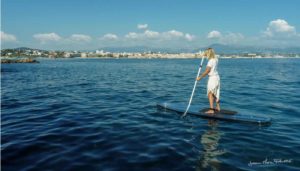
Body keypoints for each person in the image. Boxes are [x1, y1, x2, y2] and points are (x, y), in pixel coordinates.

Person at [197, 48, 220, 114]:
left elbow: (207, 71)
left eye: (206, 53)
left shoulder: (210, 61)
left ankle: (211, 109)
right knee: (215, 92)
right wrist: (204, 55)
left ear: (208, 53)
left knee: (210, 93)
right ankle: (218, 107)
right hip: (217, 77)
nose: (206, 54)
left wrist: (199, 77)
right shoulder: (216, 59)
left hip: (212, 78)